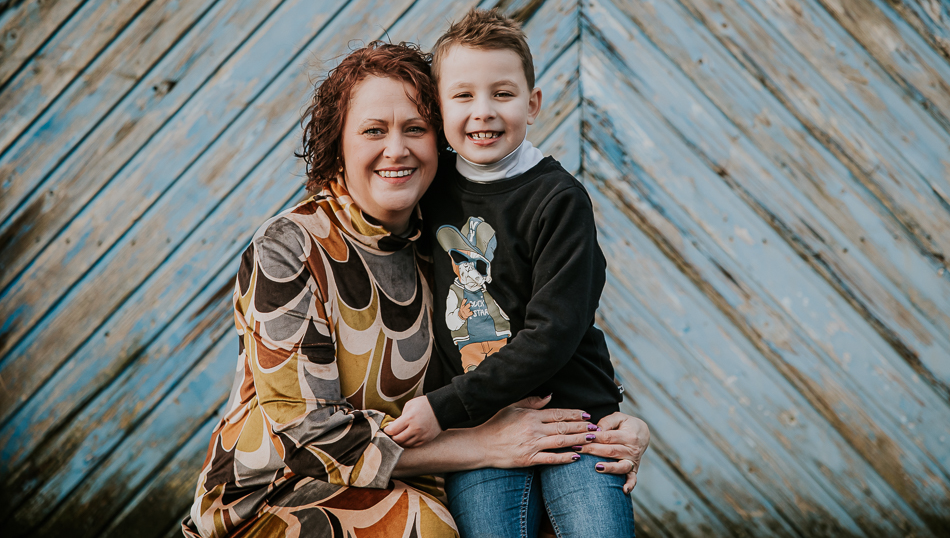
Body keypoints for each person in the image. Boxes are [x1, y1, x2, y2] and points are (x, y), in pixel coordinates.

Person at [181, 41, 648, 538]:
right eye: (373, 131)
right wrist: (483, 445)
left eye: (415, 129)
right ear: (337, 141)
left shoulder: (445, 233)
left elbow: (546, 327)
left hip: (423, 476)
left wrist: (614, 420)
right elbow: (310, 438)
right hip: (282, 489)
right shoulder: (290, 248)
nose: (396, 149)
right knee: (427, 528)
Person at [384, 9, 635, 537]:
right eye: (463, 96)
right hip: (481, 426)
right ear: (438, 107)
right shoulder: (430, 190)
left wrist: (441, 408)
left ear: (533, 103)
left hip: (574, 416)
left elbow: (554, 332)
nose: (483, 113)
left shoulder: (558, 199)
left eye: (502, 94)